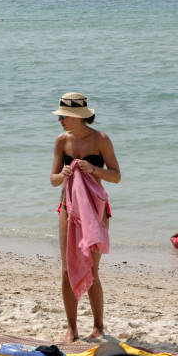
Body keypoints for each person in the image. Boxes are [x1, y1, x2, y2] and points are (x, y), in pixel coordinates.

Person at [50, 92, 121, 341]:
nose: (61, 120)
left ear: (79, 117)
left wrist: (93, 169)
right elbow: (52, 179)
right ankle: (72, 326)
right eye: (60, 116)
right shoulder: (61, 141)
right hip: (67, 209)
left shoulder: (101, 140)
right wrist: (65, 174)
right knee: (67, 269)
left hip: (96, 211)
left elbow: (116, 175)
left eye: (65, 116)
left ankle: (98, 326)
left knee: (92, 269)